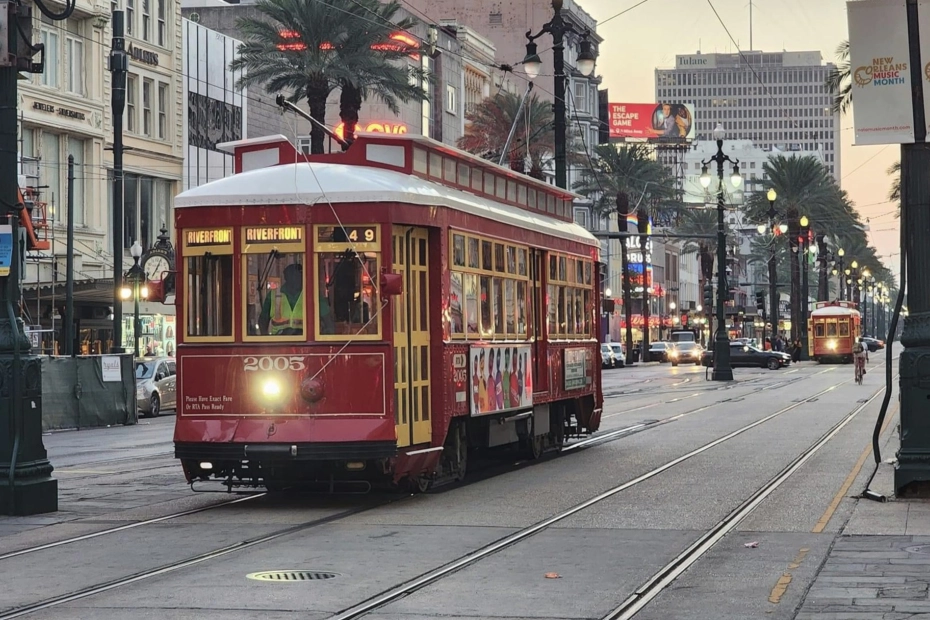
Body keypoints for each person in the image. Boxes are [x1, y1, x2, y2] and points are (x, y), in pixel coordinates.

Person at [260, 263, 304, 336]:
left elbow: (327, 322)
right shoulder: (272, 296)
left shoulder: (311, 295)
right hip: (279, 344)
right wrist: (266, 342)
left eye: (299, 275)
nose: (297, 278)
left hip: (304, 344)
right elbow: (262, 321)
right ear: (286, 277)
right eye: (293, 275)